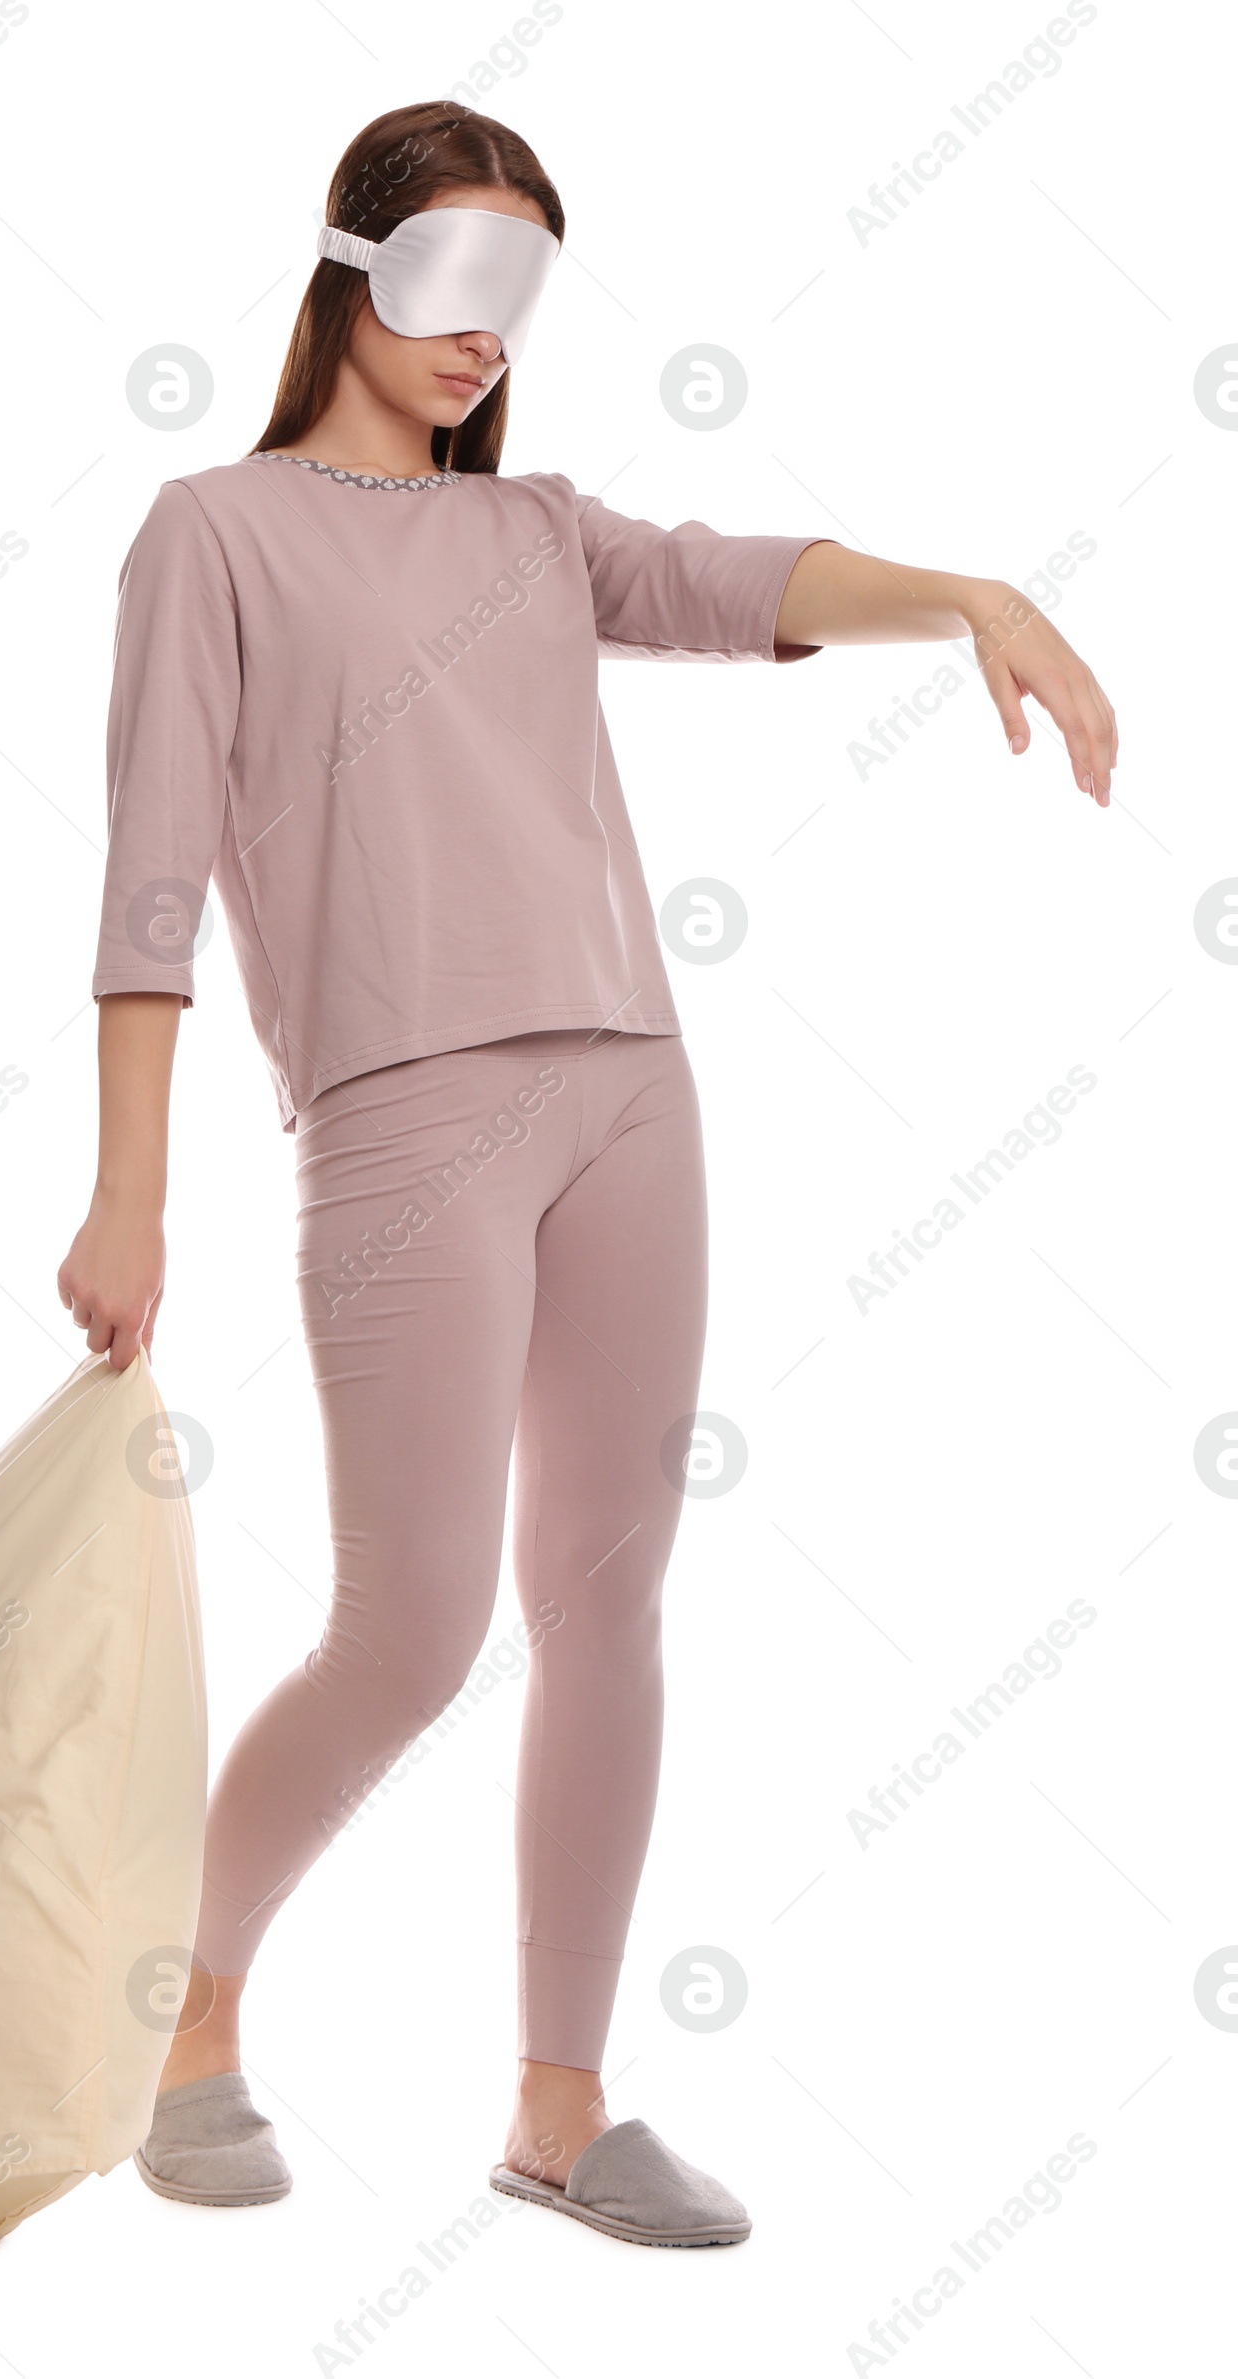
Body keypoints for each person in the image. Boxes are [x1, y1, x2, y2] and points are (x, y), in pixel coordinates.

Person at [58, 100, 1117, 2250]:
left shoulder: (536, 530)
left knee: (605, 1603)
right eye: (451, 270)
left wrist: (976, 593)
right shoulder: (214, 529)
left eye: (523, 288)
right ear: (352, 265)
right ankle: (180, 2022)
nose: (483, 329)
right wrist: (128, 1189)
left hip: (632, 1089)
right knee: (411, 1626)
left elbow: (737, 584)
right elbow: (152, 881)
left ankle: (557, 2104)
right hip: (400, 1107)